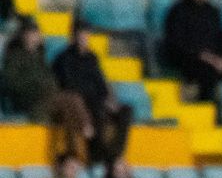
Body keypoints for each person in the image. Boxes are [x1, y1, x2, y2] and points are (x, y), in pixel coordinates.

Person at [0, 16, 94, 161]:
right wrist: (38, 87)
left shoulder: (39, 57)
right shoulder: (14, 57)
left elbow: (51, 80)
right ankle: (86, 127)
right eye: (29, 33)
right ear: (22, 36)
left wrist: (49, 88)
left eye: (35, 33)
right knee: (73, 99)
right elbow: (12, 83)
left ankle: (70, 155)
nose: (33, 37)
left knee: (68, 112)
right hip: (31, 103)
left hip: (48, 99)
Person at [50, 19, 130, 163]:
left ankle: (115, 154)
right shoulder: (64, 58)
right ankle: (95, 155)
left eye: (86, 33)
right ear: (73, 35)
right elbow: (69, 85)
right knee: (96, 109)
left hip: (96, 98)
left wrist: (108, 99)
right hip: (78, 101)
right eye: (81, 34)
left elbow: (100, 82)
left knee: (125, 110)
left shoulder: (92, 57)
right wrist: (98, 98)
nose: (84, 37)